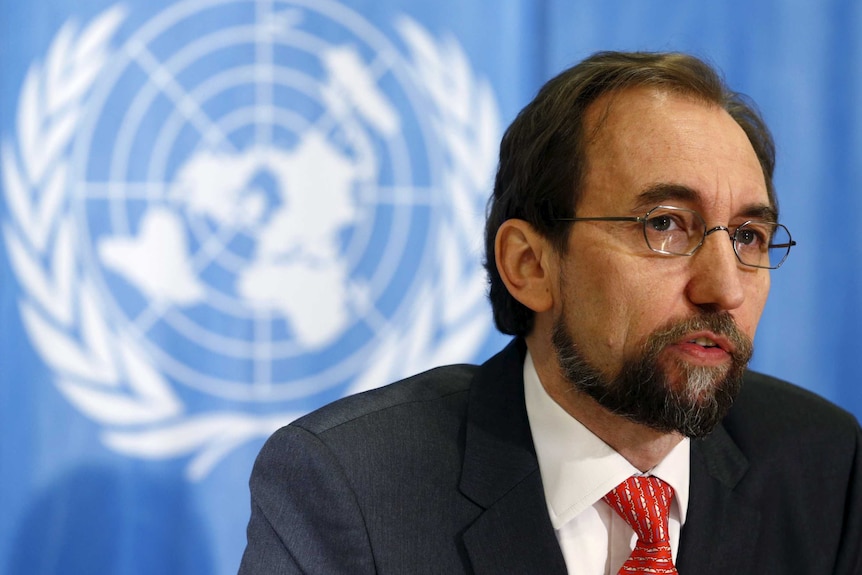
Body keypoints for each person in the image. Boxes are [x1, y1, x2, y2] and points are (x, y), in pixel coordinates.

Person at [237, 51, 862, 574]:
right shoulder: (353, 487)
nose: (724, 288)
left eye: (748, 236)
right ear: (530, 265)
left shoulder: (824, 465)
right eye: (666, 225)